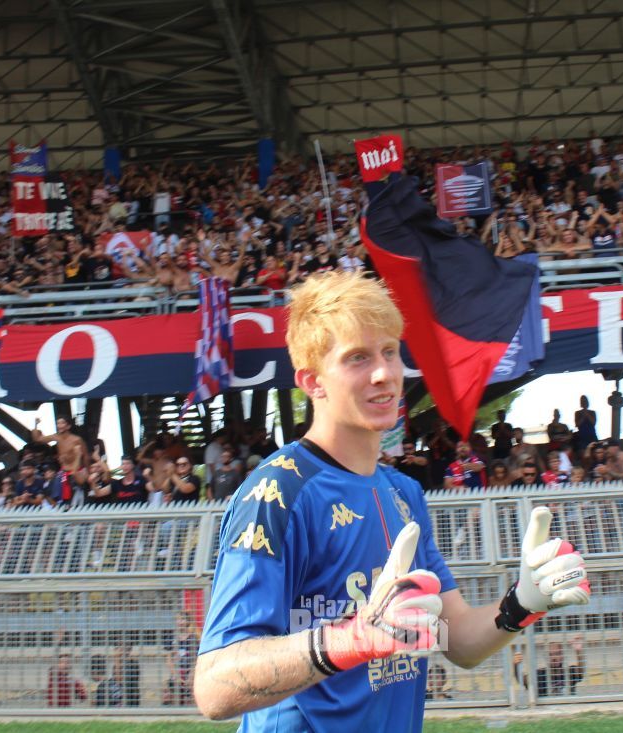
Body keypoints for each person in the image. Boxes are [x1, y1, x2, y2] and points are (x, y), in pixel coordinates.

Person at [194, 271, 590, 728]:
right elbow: (215, 686)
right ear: (312, 381)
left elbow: (458, 640)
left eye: (389, 351)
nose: (384, 373)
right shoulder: (277, 493)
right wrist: (355, 638)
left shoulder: (403, 492)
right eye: (357, 358)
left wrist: (521, 603)